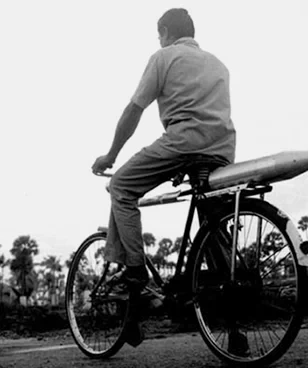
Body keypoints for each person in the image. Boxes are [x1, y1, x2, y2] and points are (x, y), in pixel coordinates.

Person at [92, 7, 236, 298]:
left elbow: (134, 109)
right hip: (222, 148)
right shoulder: (219, 64)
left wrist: (111, 155)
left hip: (184, 143)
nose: (158, 41)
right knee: (213, 221)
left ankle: (135, 271)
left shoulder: (164, 56)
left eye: (159, 36)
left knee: (120, 185)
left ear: (166, 33)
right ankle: (230, 310)